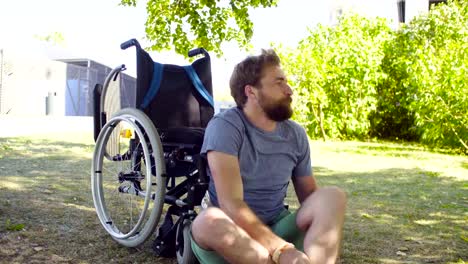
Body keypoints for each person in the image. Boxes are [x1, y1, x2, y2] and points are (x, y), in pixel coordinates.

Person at [190, 49, 347, 264]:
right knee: (206, 221)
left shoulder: (295, 134)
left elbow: (310, 196)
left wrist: (324, 230)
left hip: (276, 228)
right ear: (251, 92)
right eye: (279, 82)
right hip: (232, 239)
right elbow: (231, 204)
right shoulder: (225, 127)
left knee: (332, 197)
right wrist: (281, 250)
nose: (289, 90)